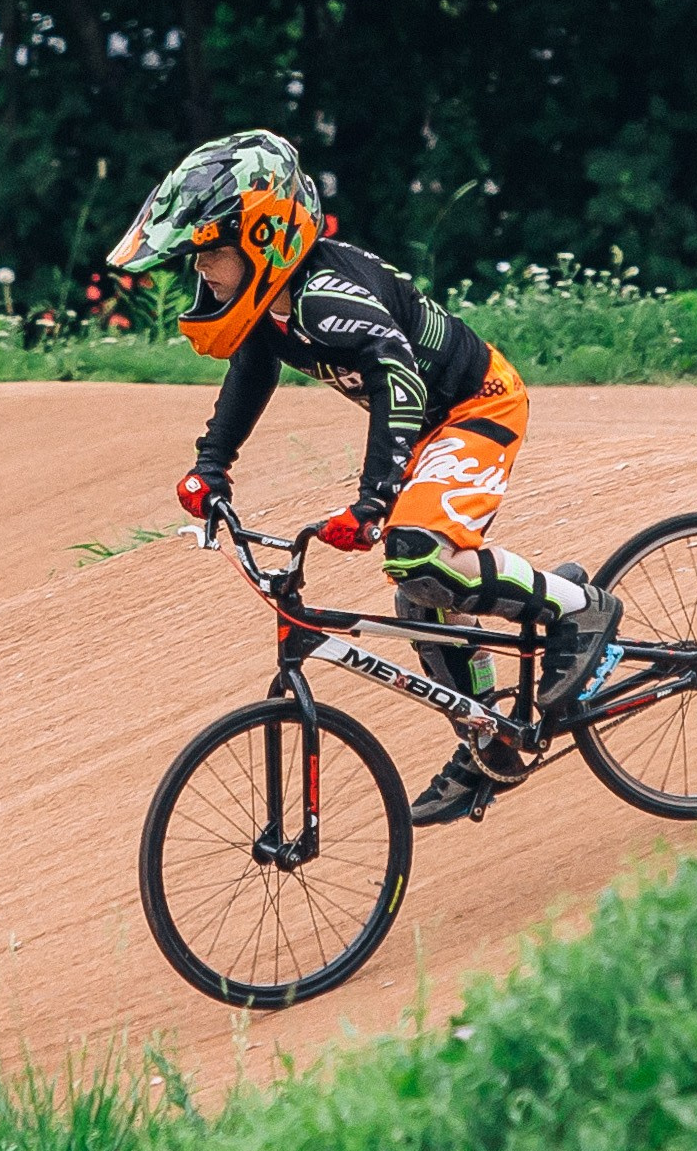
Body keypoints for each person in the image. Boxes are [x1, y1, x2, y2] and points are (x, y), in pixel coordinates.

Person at [106, 129, 622, 825]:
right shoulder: (273, 305)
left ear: (264, 240)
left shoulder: (325, 296)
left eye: (212, 252)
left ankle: (576, 607)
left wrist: (374, 501)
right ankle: (490, 740)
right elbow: (252, 371)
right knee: (421, 594)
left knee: (416, 551)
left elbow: (398, 376)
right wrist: (211, 465)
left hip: (477, 406)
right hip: (425, 424)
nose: (202, 270)